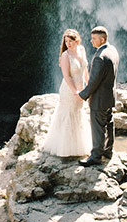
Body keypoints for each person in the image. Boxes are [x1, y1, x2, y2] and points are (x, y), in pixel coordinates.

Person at [41, 28, 91, 157]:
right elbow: (67, 76)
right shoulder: (65, 56)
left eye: (71, 41)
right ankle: (64, 148)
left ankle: (79, 145)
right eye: (66, 41)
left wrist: (89, 85)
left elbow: (85, 70)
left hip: (82, 87)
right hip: (69, 90)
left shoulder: (82, 50)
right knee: (68, 114)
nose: (68, 44)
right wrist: (75, 92)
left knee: (78, 114)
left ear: (77, 41)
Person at [77, 25, 119, 166]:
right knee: (109, 123)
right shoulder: (112, 50)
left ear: (102, 39)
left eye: (94, 38)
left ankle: (95, 157)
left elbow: (94, 81)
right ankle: (108, 151)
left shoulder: (100, 57)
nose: (91, 41)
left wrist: (83, 95)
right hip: (109, 96)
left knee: (98, 128)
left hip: (99, 99)